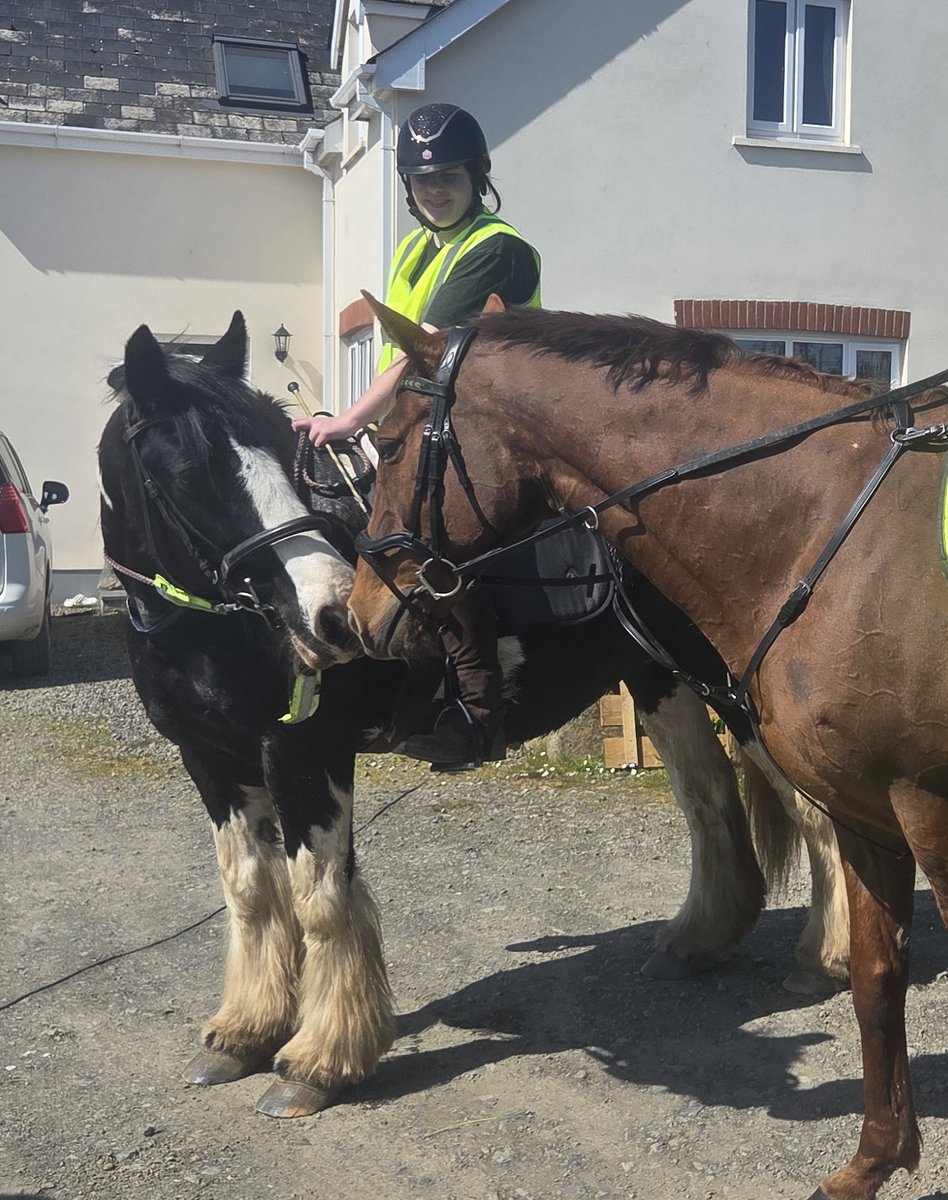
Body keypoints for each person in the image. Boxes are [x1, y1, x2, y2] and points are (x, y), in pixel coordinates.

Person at [293, 103, 541, 770]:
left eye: (448, 177)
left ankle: (476, 715)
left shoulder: (497, 248)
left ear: (477, 177)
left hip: (489, 430)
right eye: (422, 180)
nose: (435, 190)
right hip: (422, 427)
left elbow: (423, 349)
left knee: (441, 544)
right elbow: (398, 359)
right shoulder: (416, 248)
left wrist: (348, 419)